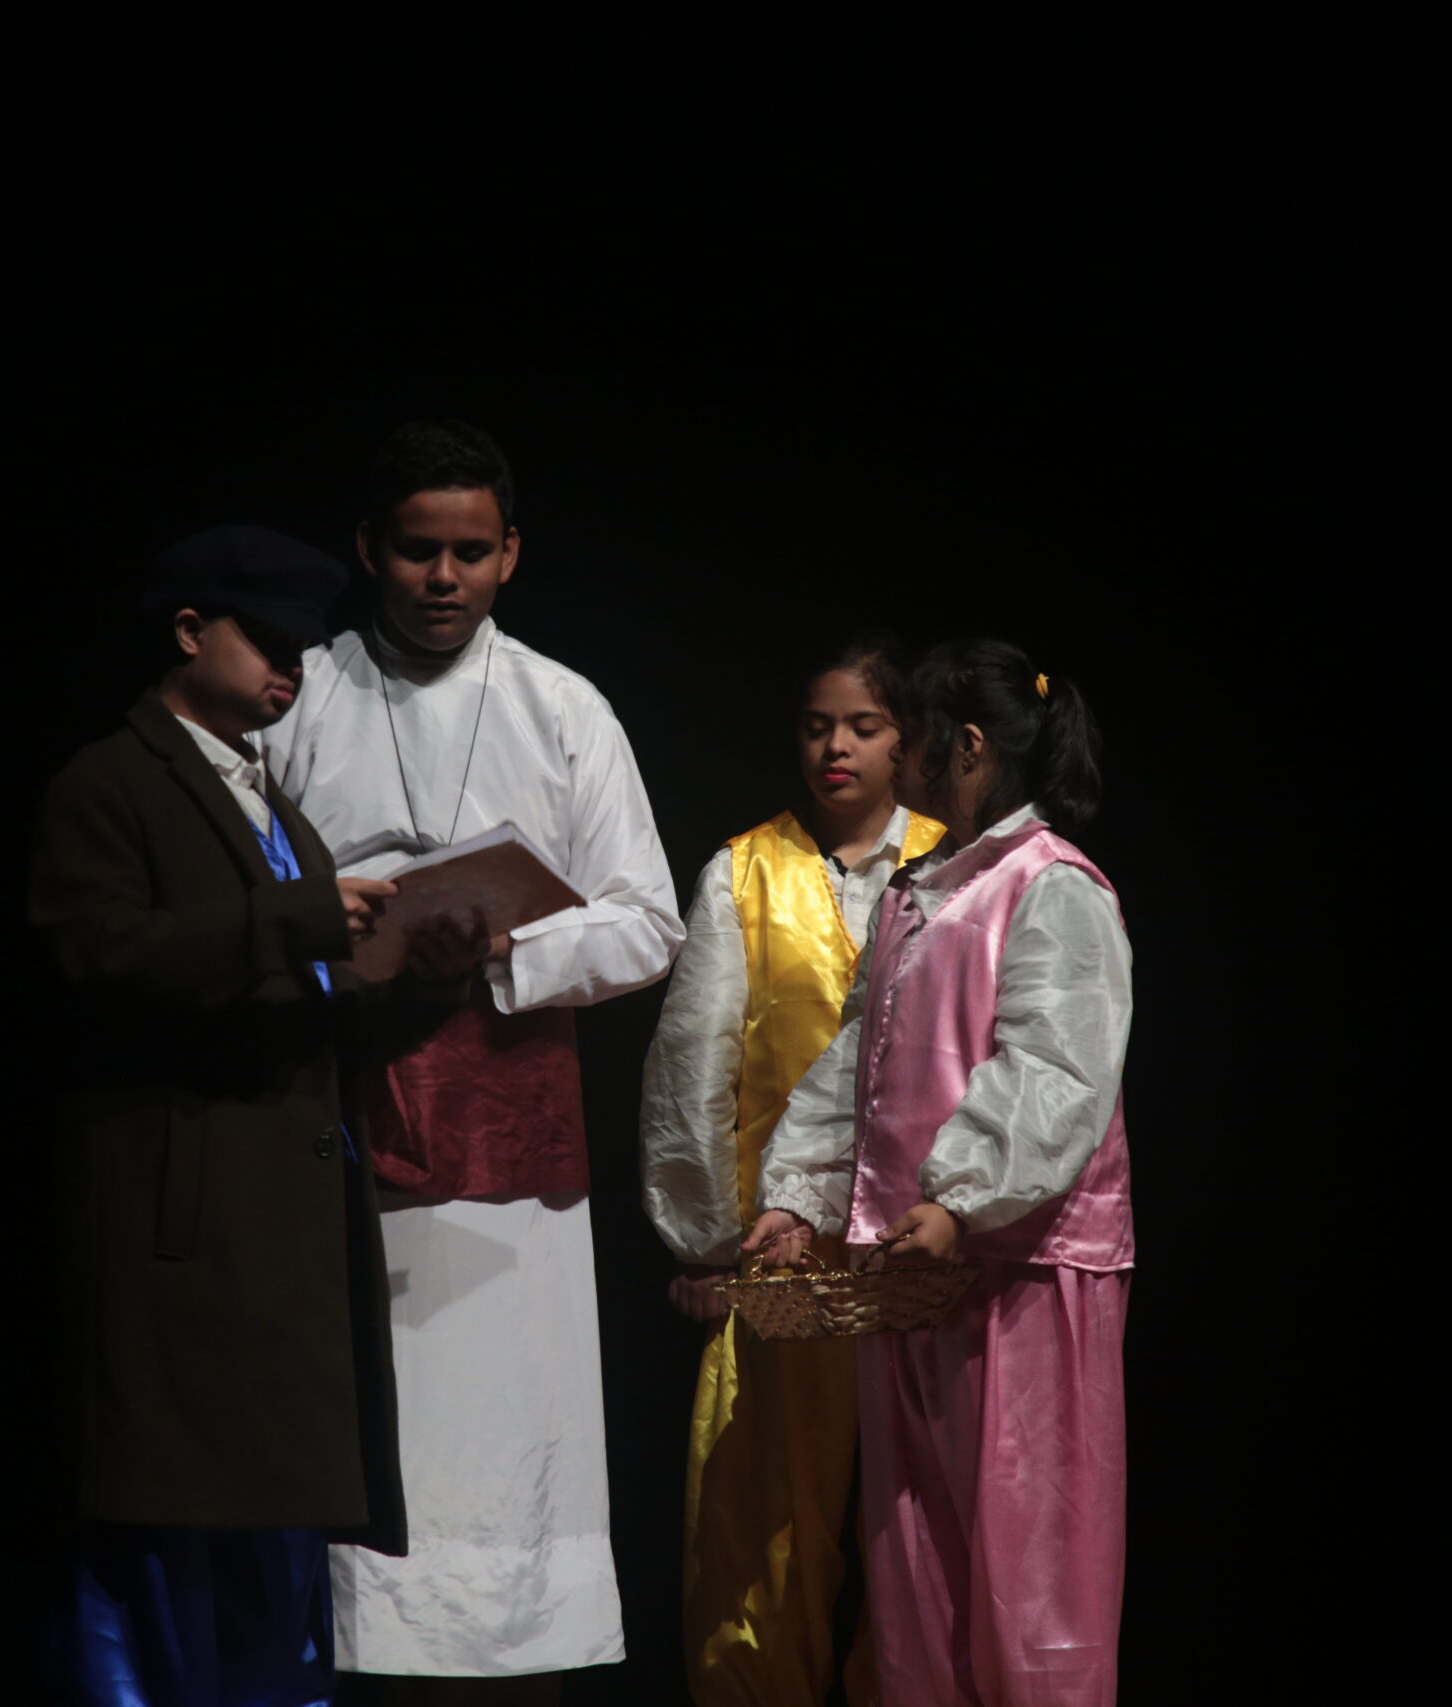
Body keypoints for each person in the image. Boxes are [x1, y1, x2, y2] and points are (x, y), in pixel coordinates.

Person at [257, 421, 684, 1700]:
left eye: (469, 552)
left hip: (509, 1112)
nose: (443, 579)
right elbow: (242, 900)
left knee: (504, 1422)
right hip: (340, 1097)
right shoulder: (301, 694)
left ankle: (515, 1659)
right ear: (367, 550)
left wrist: (503, 947)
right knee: (371, 1417)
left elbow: (648, 921)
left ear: (511, 555)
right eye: (416, 550)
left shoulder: (563, 706)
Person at [29, 524, 487, 1706]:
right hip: (188, 1234)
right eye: (267, 640)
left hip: (286, 1237)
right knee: (174, 1551)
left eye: (301, 648)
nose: (289, 666)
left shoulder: (266, 797)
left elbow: (314, 1022)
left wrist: (428, 978)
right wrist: (297, 917)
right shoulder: (110, 782)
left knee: (272, 1555)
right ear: (189, 632)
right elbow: (93, 955)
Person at [747, 639, 1134, 1707]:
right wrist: (798, 1195)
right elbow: (859, 1062)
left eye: (909, 739)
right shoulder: (919, 892)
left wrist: (960, 1199)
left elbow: (1055, 1069)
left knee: (1026, 1578)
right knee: (914, 1574)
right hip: (914, 1272)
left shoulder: (1051, 887)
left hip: (1019, 1273)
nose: (894, 761)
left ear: (965, 748)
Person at [640, 637, 945, 1707]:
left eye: (863, 726)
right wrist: (705, 1239)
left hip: (923, 1247)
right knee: (771, 1510)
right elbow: (694, 1065)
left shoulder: (955, 863)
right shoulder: (745, 869)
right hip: (786, 1249)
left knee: (916, 1515)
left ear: (906, 739)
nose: (835, 747)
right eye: (818, 726)